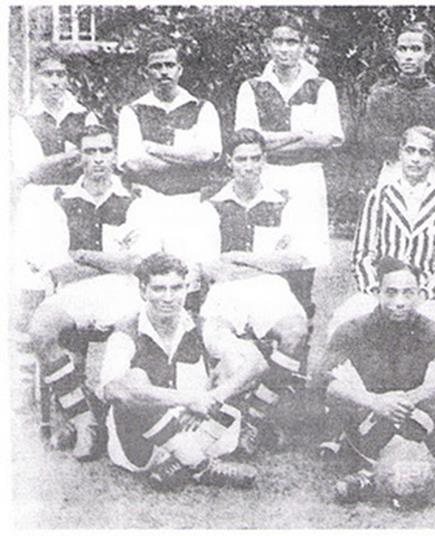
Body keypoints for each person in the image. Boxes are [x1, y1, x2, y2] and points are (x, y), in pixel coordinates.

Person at [22, 125, 159, 459]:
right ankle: (84, 419)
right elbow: (58, 267)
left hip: (124, 290)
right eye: (90, 151)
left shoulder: (136, 200)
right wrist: (114, 261)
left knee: (132, 330)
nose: (98, 159)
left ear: (115, 155)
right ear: (79, 157)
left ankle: (120, 415)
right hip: (75, 291)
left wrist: (83, 255)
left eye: (105, 151)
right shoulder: (59, 201)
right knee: (40, 328)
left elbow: (140, 263)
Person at [100, 253, 258, 491]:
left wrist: (213, 398)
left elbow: (256, 361)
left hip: (200, 430)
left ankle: (180, 464)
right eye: (158, 289)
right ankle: (201, 466)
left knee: (233, 363)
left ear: (186, 289)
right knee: (133, 381)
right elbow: (113, 390)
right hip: (144, 446)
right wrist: (189, 399)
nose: (168, 297)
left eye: (176, 288)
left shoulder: (202, 325)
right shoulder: (126, 332)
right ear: (143, 291)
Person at [198, 134, 310, 451]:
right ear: (229, 162)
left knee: (295, 333)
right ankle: (223, 417)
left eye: (255, 158)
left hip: (271, 290)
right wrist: (266, 261)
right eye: (241, 159)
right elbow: (212, 268)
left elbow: (294, 260)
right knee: (223, 344)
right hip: (224, 293)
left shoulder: (282, 202)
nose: (248, 166)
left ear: (264, 160)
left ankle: (256, 417)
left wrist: (239, 257)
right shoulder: (211, 205)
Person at [234, 13, 344, 320]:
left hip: (307, 178)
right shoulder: (252, 87)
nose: (284, 49)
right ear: (268, 45)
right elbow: (248, 140)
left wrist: (271, 140)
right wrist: (300, 134)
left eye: (292, 42)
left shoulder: (321, 86)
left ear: (304, 45)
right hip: (266, 176)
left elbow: (327, 139)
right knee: (267, 252)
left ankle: (300, 336)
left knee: (304, 257)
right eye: (278, 41)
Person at [323, 257, 435, 504]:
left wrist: (411, 398)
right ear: (377, 292)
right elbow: (324, 380)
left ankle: (373, 477)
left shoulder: (434, 332)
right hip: (371, 417)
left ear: (420, 295)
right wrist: (374, 401)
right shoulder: (353, 330)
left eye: (408, 293)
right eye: (391, 292)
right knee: (354, 408)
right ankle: (379, 471)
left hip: (418, 415)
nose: (399, 302)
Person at [329, 126, 435, 341]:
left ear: (434, 159)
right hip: (381, 290)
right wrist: (376, 290)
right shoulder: (378, 197)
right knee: (343, 322)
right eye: (410, 150)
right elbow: (362, 255)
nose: (415, 159)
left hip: (427, 294)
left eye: (424, 153)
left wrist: (424, 293)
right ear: (400, 153)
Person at [358, 22, 435, 187]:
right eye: (402, 49)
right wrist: (423, 139)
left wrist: (409, 144)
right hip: (392, 172)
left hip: (430, 174)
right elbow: (371, 142)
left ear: (428, 54)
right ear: (395, 54)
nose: (408, 56)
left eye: (415, 49)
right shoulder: (381, 96)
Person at [117, 36, 222, 196]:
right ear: (146, 72)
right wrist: (187, 161)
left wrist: (154, 149)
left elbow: (206, 155)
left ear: (180, 70)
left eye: (170, 65)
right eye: (156, 66)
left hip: (194, 198)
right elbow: (133, 163)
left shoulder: (203, 108)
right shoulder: (132, 111)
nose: (164, 72)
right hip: (147, 198)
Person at [11, 47, 98, 187]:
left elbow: (96, 160)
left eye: (60, 75)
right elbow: (31, 170)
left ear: (67, 80)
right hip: (40, 195)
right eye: (48, 74)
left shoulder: (86, 116)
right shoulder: (23, 121)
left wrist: (49, 162)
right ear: (35, 80)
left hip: (81, 193)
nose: (55, 81)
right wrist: (74, 155)